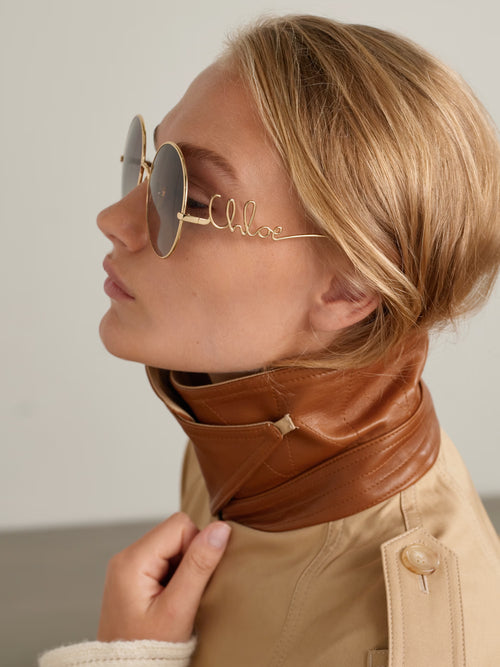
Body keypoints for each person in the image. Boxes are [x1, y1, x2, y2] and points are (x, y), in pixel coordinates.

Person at [39, 14, 500, 667]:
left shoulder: (412, 640)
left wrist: (120, 660)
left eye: (185, 198)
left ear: (347, 290)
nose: (114, 219)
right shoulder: (242, 422)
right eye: (152, 165)